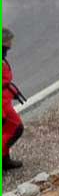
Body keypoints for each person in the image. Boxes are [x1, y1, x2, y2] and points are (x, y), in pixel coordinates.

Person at [3, 27, 25, 170]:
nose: (11, 44)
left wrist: (13, 91)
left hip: (5, 99)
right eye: (9, 41)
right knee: (16, 127)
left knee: (7, 129)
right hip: (2, 103)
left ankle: (4, 160)